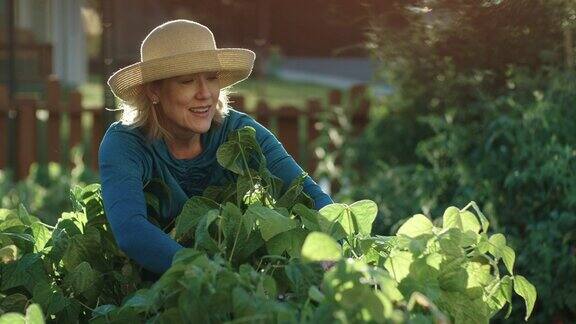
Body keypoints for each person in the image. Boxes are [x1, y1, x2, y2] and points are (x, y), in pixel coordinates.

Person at [99, 20, 333, 274]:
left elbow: (309, 196)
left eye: (211, 78)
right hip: (154, 287)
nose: (205, 93)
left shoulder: (241, 134)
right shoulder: (125, 143)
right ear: (154, 91)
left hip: (240, 277)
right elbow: (131, 231)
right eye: (187, 81)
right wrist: (212, 276)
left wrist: (335, 250)